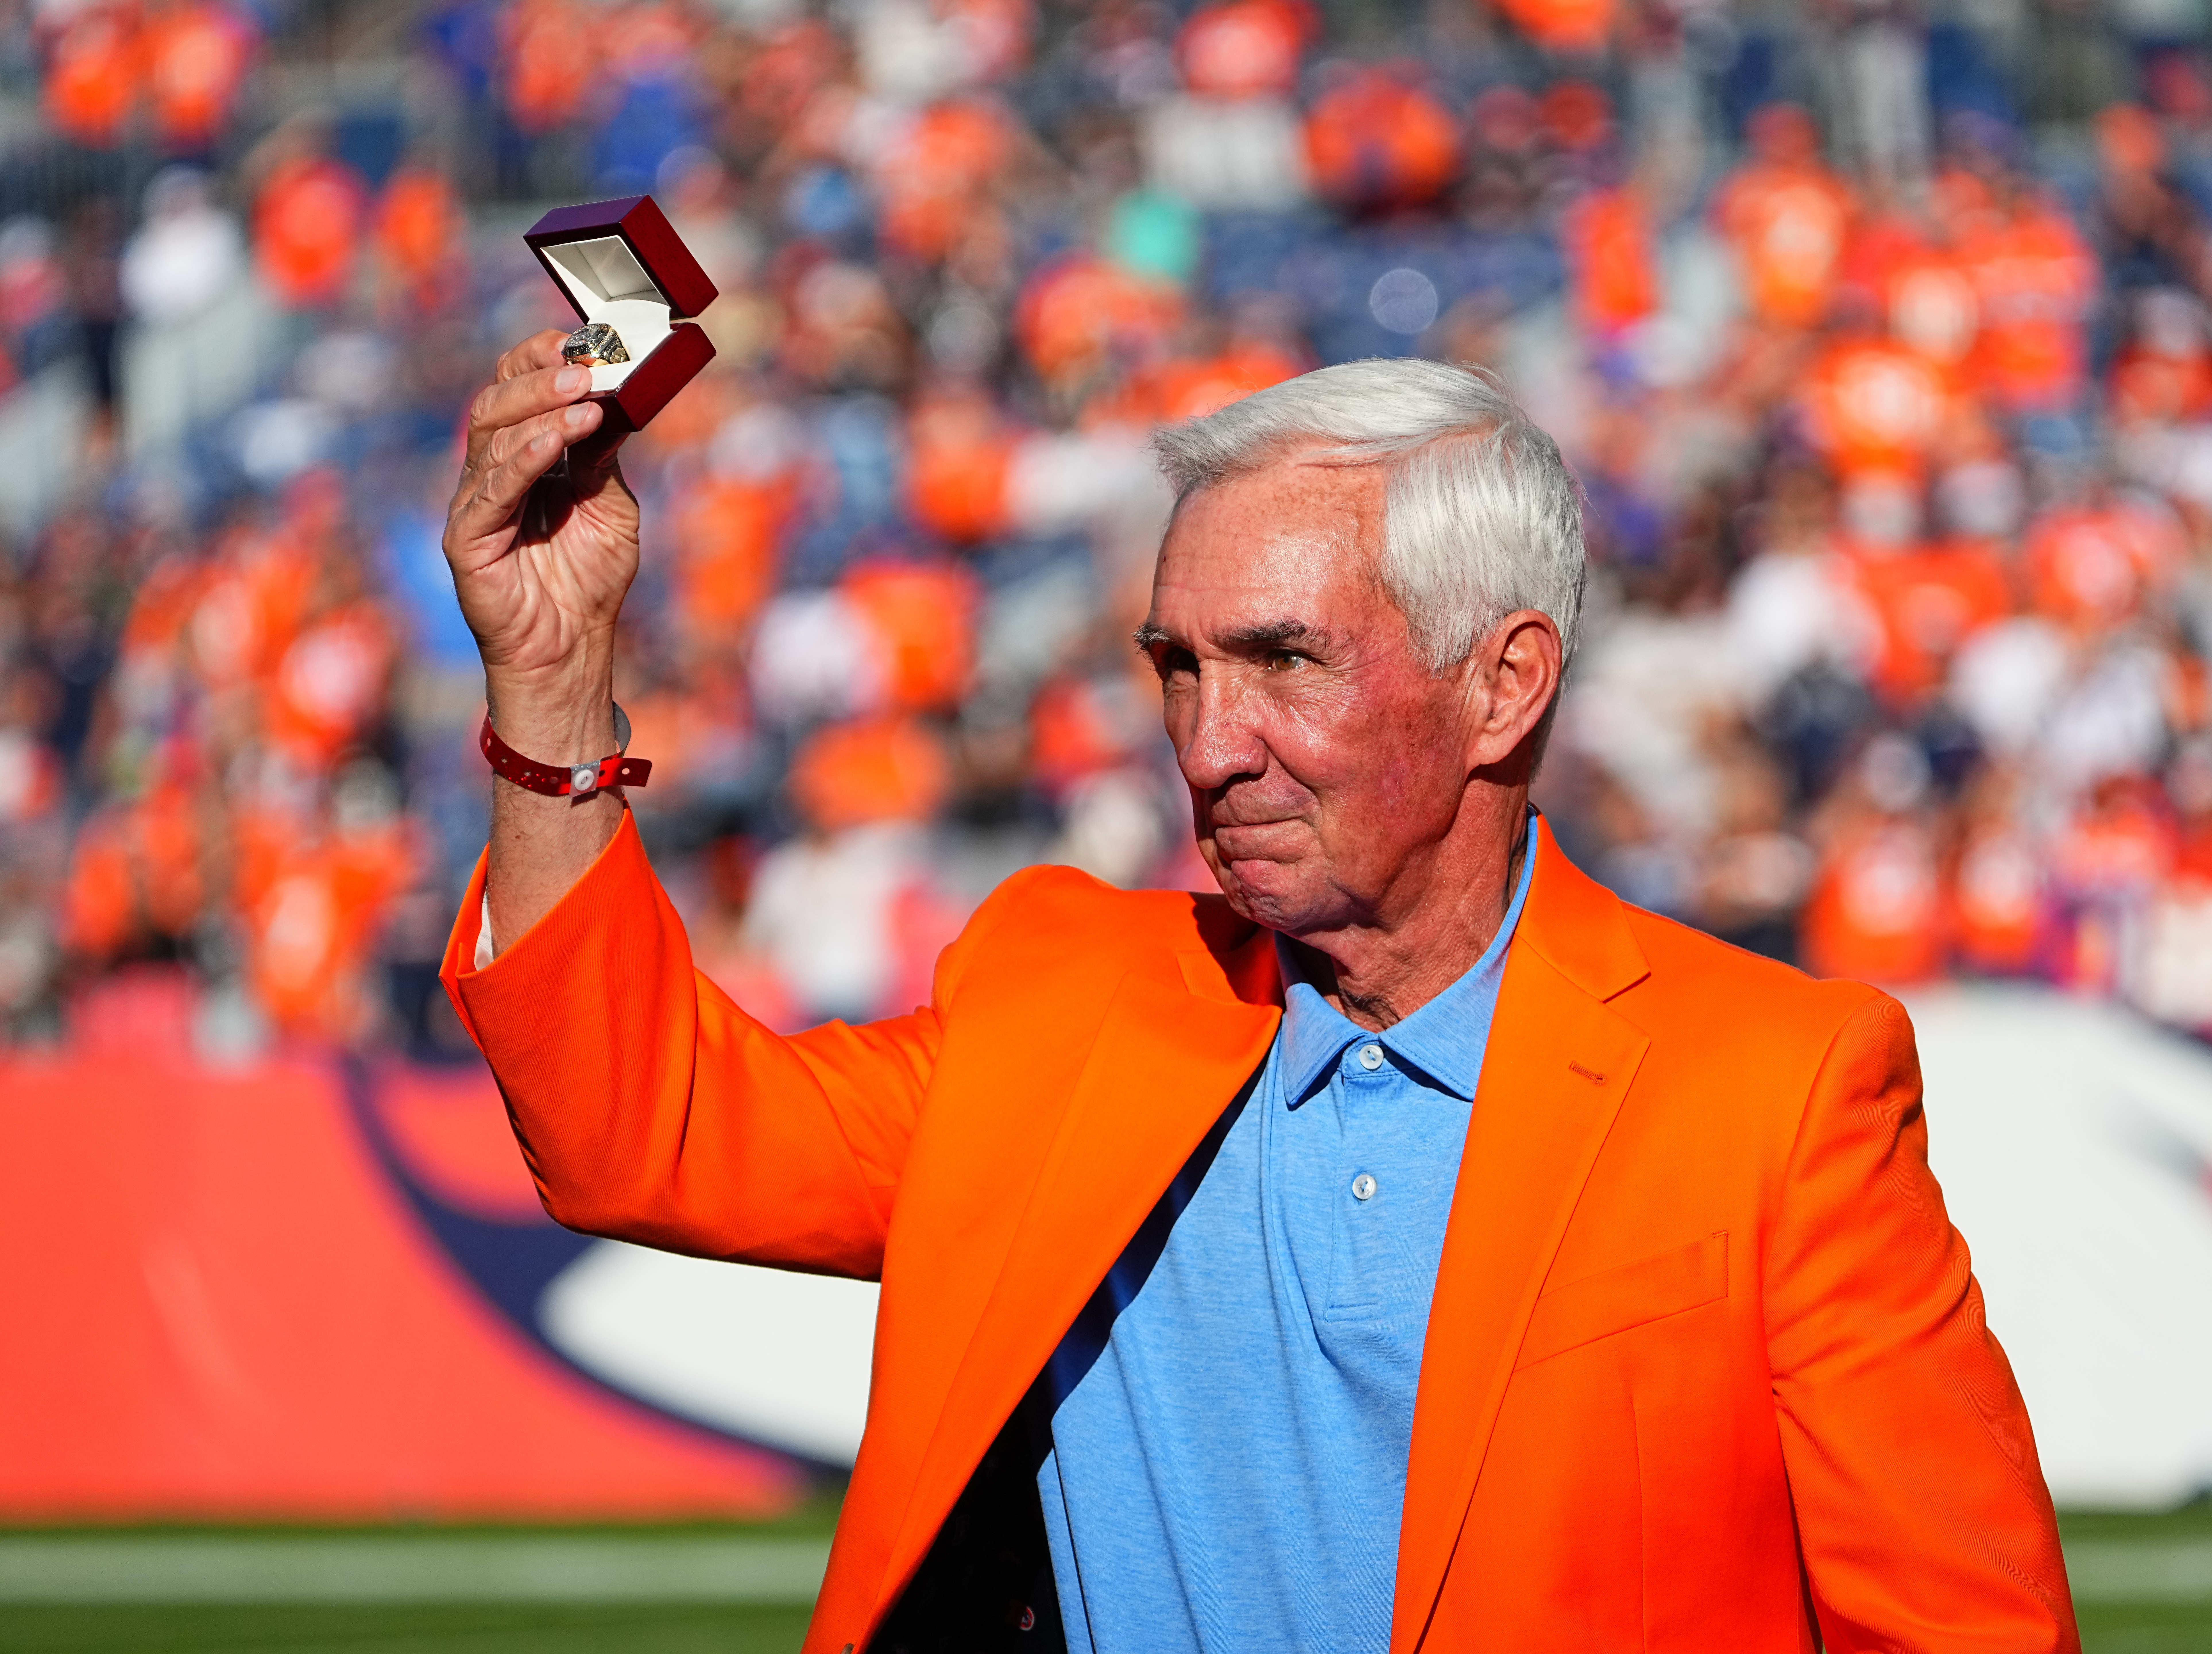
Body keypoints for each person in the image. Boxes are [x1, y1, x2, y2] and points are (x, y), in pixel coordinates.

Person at [438, 342, 2076, 1653]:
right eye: (1179, 666)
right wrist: (555, 681)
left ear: (1501, 684)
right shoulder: (1062, 1005)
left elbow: (1964, 1630)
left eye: (1286, 661)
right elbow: (637, 1134)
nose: (1211, 745)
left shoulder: (1780, 1092)